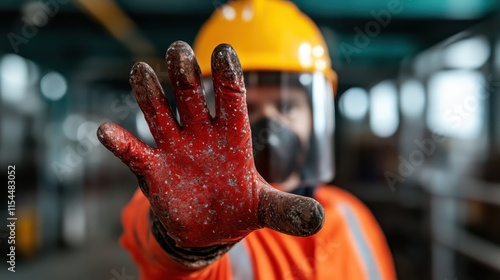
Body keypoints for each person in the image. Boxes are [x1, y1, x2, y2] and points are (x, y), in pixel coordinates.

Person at [97, 0, 396, 279]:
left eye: (287, 106)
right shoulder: (188, 205)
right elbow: (151, 240)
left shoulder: (353, 217)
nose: (269, 124)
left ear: (315, 115)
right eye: (248, 108)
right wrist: (188, 245)